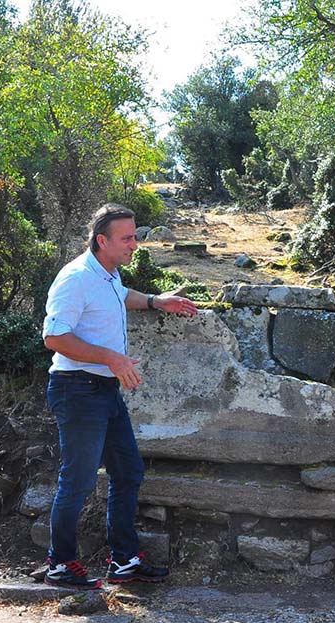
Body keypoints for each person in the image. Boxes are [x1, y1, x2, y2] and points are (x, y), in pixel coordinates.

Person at [41, 203, 198, 589]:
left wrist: (155, 301)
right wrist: (111, 357)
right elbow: (54, 337)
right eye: (127, 238)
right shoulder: (75, 278)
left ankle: (124, 560)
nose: (135, 244)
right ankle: (60, 564)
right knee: (77, 480)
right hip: (77, 390)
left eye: (134, 236)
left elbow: (119, 295)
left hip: (103, 390)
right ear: (102, 241)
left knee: (128, 471)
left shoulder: (107, 274)